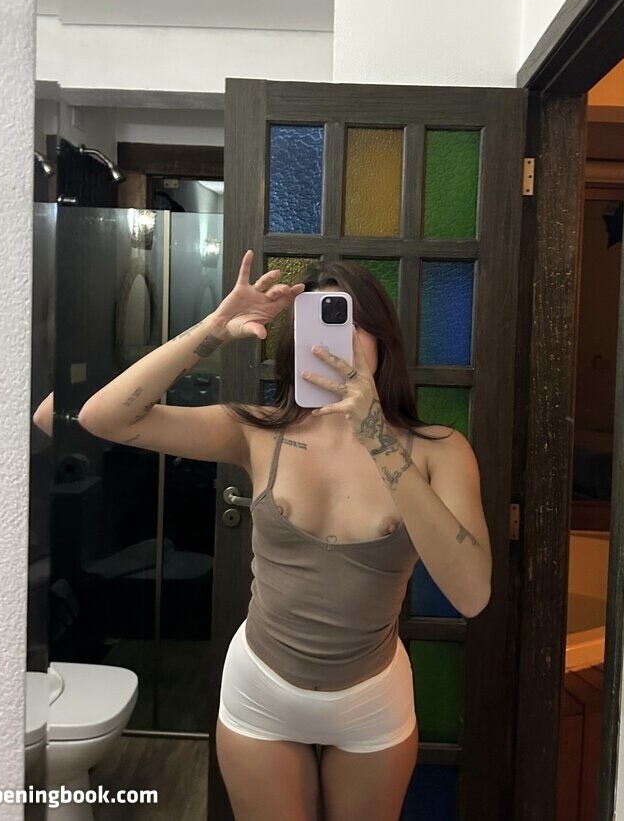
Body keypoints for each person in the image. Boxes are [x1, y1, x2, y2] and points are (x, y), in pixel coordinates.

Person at [77, 250, 492, 821]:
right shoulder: (258, 432)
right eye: (319, 325)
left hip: (371, 698)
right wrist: (215, 328)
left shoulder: (439, 450)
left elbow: (471, 594)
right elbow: (104, 418)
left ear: (383, 342)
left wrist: (376, 436)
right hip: (262, 690)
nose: (334, 341)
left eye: (350, 323)